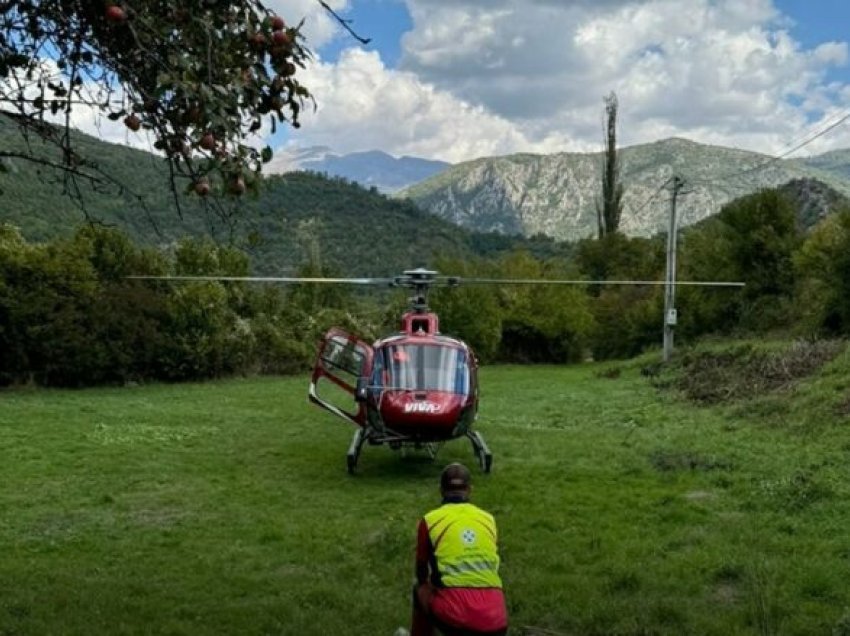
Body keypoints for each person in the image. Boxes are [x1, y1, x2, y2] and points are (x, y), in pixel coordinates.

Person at [409, 463, 508, 636]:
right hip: (497, 620)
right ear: (470, 489)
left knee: (420, 589)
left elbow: (421, 572)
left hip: (458, 618)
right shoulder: (489, 520)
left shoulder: (430, 520)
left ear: (441, 490)